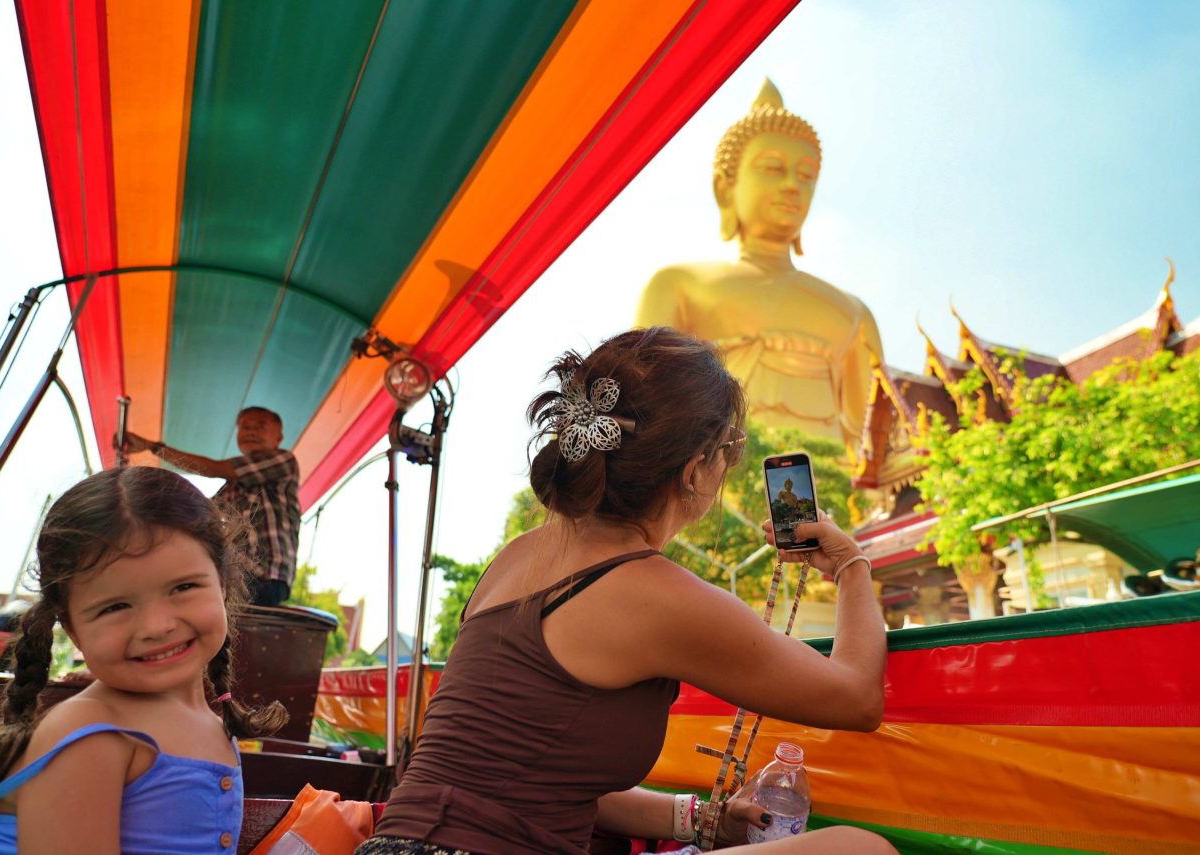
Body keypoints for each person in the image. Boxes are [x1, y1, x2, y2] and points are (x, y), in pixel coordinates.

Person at [361, 327, 894, 854]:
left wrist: (704, 820)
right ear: (694, 471)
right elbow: (856, 697)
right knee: (860, 848)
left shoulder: (519, 553)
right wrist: (851, 565)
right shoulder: (656, 594)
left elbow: (546, 785)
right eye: (730, 449)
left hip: (394, 846)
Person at [0, 466, 287, 854]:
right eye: (115, 607)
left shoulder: (212, 720)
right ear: (71, 627)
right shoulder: (91, 735)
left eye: (183, 587)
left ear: (222, 585)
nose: (157, 626)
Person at [635, 80, 884, 448]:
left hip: (830, 497)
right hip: (717, 491)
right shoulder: (679, 286)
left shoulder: (852, 314)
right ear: (725, 189)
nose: (792, 187)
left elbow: (874, 445)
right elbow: (644, 413)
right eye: (772, 168)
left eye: (806, 175)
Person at [126, 406, 300, 606]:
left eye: (261, 426)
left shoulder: (284, 461)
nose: (252, 431)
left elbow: (211, 469)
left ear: (279, 437)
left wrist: (152, 447)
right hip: (236, 575)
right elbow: (201, 514)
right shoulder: (230, 489)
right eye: (245, 427)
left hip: (265, 576)